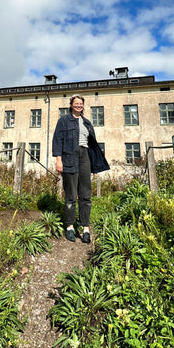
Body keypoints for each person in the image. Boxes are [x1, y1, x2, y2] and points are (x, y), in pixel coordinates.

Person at [52, 94, 109, 243]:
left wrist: (94, 165)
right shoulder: (63, 121)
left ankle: (85, 228)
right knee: (70, 195)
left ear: (83, 106)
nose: (78, 105)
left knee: (86, 195)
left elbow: (93, 146)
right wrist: (59, 160)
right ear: (71, 105)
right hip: (69, 156)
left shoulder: (87, 123)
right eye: (76, 103)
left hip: (85, 158)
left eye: (81, 103)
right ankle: (70, 227)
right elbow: (57, 141)